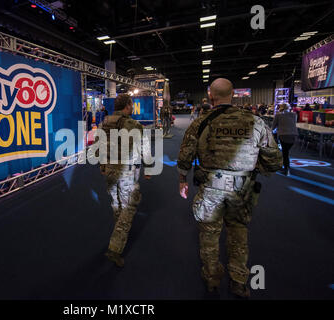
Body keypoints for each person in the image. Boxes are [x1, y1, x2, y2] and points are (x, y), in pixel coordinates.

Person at [177, 78, 282, 298]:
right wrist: (254, 168)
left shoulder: (201, 123)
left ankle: (212, 279)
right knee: (238, 234)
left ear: (210, 96)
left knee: (209, 234)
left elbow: (185, 155)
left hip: (210, 189)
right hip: (242, 190)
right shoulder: (256, 122)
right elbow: (274, 160)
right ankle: (239, 281)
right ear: (233, 94)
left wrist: (182, 179)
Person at [99, 94, 152, 267]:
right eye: (131, 104)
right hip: (126, 172)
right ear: (128, 105)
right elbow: (144, 148)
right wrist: (149, 168)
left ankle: (119, 228)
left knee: (117, 204)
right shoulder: (134, 125)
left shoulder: (105, 122)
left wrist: (102, 166)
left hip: (110, 171)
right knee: (129, 206)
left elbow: (99, 145)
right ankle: (115, 248)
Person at [272, 104, 298, 176]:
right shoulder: (294, 114)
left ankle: (287, 168)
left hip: (283, 135)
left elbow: (274, 126)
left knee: (285, 152)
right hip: (293, 136)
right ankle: (286, 165)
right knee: (286, 152)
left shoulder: (278, 115)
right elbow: (293, 124)